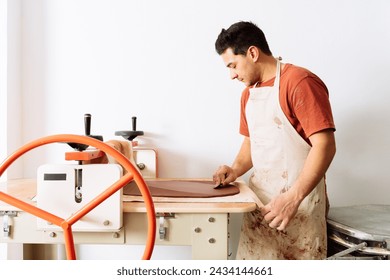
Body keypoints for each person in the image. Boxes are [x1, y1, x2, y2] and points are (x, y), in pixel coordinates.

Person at [212, 21, 336, 260]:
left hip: (299, 208)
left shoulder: (299, 82)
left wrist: (292, 198)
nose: (232, 75)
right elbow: (252, 144)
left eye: (233, 65)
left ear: (252, 52)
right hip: (261, 209)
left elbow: (325, 145)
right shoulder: (248, 95)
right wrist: (234, 170)